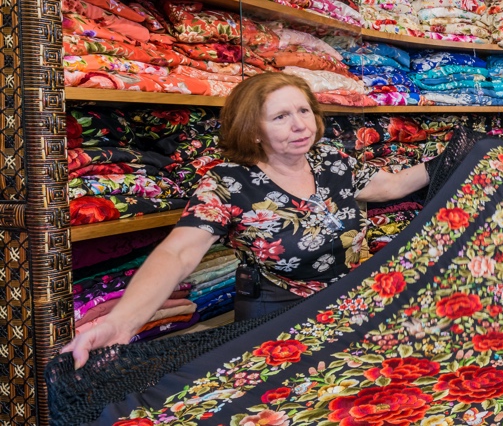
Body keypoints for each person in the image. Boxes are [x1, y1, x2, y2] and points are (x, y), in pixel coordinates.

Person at [62, 73, 430, 368]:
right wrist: (121, 321)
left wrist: (467, 156)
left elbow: (392, 186)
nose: (300, 125)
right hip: (275, 311)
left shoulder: (332, 162)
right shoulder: (228, 183)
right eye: (280, 117)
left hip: (347, 304)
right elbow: (178, 254)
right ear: (254, 130)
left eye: (304, 111)